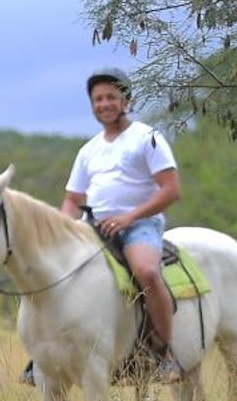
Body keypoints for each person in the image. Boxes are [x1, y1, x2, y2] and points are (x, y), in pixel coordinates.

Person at [34, 67, 182, 384]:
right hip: (94, 228)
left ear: (126, 101)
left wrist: (130, 217)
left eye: (111, 97)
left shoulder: (147, 137)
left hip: (139, 224)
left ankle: (163, 354)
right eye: (98, 99)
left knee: (146, 271)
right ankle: (41, 357)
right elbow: (73, 199)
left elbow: (171, 190)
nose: (104, 104)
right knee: (53, 271)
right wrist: (61, 230)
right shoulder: (88, 150)